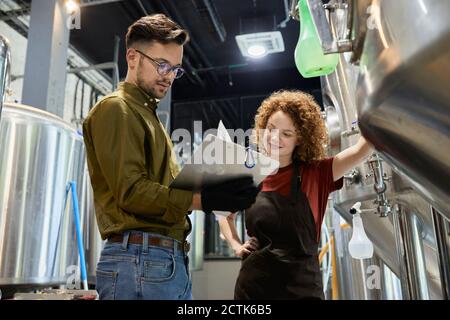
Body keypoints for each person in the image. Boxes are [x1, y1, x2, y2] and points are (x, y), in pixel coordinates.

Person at [82, 14, 258, 300]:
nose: (168, 76)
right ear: (132, 57)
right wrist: (205, 200)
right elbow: (132, 192)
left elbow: (165, 190)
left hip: (160, 259)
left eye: (175, 69)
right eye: (161, 65)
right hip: (141, 259)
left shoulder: (149, 118)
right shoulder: (117, 109)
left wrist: (218, 187)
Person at [218, 90, 373, 300]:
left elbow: (361, 151)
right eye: (271, 129)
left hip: (302, 289)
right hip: (254, 290)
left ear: (300, 139)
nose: (274, 138)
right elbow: (224, 215)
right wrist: (236, 246)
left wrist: (372, 103)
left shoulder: (317, 173)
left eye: (286, 133)